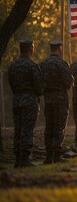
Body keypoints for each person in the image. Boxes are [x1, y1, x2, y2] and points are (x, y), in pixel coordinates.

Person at [8, 39, 45, 167]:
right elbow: (40, 87)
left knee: (18, 128)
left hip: (17, 101)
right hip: (29, 101)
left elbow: (11, 85)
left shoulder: (13, 65)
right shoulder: (32, 65)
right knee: (27, 129)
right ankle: (24, 158)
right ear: (30, 48)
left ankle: (18, 158)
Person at [40, 40, 73, 164]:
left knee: (49, 127)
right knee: (59, 127)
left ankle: (49, 156)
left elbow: (39, 83)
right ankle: (57, 156)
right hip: (60, 99)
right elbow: (68, 83)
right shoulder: (62, 63)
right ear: (59, 48)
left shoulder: (43, 64)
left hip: (48, 99)